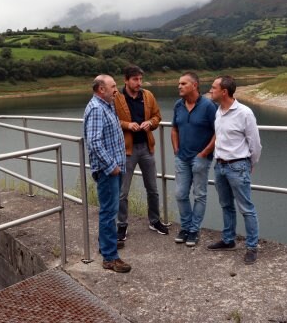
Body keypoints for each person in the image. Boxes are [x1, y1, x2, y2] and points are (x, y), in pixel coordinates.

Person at [206, 75, 262, 265]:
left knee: (246, 208)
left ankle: (252, 246)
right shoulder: (218, 111)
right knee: (226, 205)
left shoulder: (245, 113)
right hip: (220, 165)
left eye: (213, 87)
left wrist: (250, 164)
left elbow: (255, 144)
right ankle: (228, 240)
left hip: (238, 166)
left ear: (224, 91)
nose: (210, 90)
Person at [114, 66, 169, 240]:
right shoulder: (116, 97)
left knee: (152, 189)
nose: (139, 83)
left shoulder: (148, 96)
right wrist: (127, 125)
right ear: (126, 80)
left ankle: (154, 220)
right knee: (123, 192)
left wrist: (150, 123)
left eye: (140, 79)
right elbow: (112, 119)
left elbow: (157, 116)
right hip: (126, 150)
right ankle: (122, 225)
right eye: (135, 79)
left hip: (146, 147)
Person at [83, 74, 131, 273]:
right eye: (113, 86)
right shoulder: (96, 109)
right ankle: (110, 258)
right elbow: (94, 142)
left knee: (110, 210)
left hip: (114, 168)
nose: (116, 89)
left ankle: (107, 244)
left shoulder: (107, 105)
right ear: (101, 89)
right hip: (108, 170)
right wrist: (112, 166)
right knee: (109, 212)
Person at [171, 72, 216, 247]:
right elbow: (174, 129)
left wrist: (204, 153)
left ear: (195, 85)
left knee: (199, 195)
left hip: (201, 159)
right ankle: (186, 226)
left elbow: (217, 132)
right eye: (178, 84)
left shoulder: (208, 106)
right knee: (180, 194)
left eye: (183, 83)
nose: (179, 86)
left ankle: (194, 230)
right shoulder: (178, 105)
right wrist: (176, 149)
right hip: (182, 158)